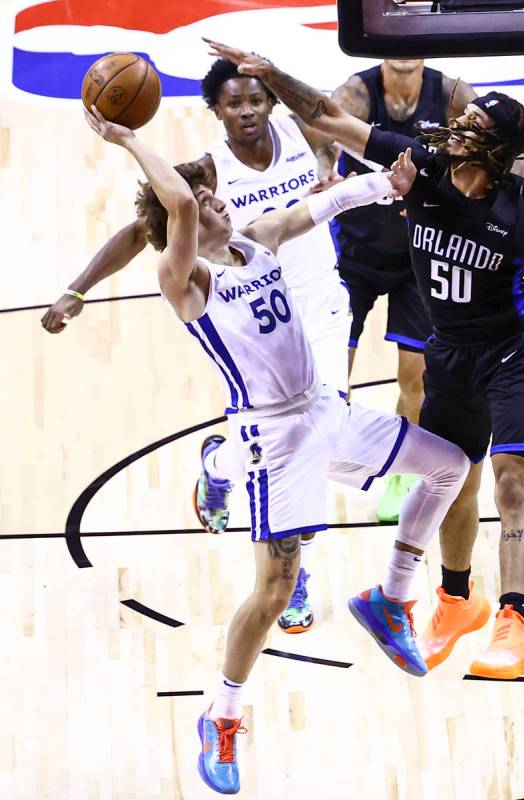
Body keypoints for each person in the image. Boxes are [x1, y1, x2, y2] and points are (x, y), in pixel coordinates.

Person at [84, 104, 471, 794]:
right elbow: (172, 201)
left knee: (448, 466)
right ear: (180, 227)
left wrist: (388, 183)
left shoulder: (254, 241)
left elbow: (315, 208)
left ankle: (391, 597)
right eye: (203, 202)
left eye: (211, 195)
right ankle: (222, 715)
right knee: (275, 591)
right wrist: (129, 139)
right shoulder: (186, 281)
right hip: (275, 439)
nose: (214, 202)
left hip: (324, 410)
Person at [201, 40, 524, 680]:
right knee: (449, 471)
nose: (457, 126)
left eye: (475, 127)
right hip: (452, 349)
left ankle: (510, 622)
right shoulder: (431, 165)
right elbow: (328, 114)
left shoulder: (517, 220)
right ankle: (441, 597)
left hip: (510, 353)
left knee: (510, 481)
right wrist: (275, 73)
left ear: (492, 153)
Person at [41, 58, 348, 635]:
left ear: (271, 102)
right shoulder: (208, 171)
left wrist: (332, 166)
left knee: (320, 439)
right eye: (234, 103)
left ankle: (219, 468)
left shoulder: (305, 133)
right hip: (252, 321)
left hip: (322, 310)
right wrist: (76, 288)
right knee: (285, 451)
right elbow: (143, 228)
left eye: (256, 100)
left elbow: (341, 124)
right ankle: (288, 568)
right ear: (217, 111)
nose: (248, 111)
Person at [331, 59, 524, 523]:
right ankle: (318, 465)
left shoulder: (454, 95)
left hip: (429, 266)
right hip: (361, 253)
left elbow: (507, 147)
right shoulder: (361, 92)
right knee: (332, 385)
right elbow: (327, 124)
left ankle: (403, 477)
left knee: (413, 379)